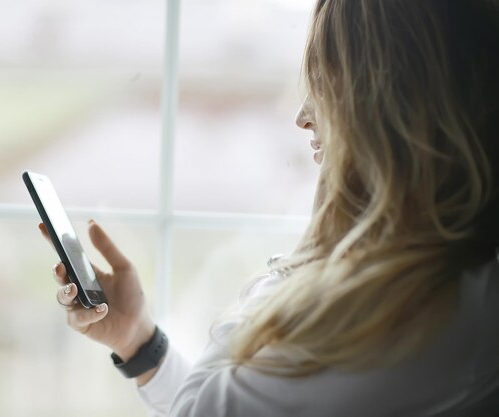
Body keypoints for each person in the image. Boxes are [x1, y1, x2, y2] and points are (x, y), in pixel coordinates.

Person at [42, 0, 499, 415]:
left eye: (324, 83)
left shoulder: (419, 306)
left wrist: (312, 251)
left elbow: (205, 410)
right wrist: (137, 339)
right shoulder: (451, 284)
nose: (303, 115)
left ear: (384, 109)